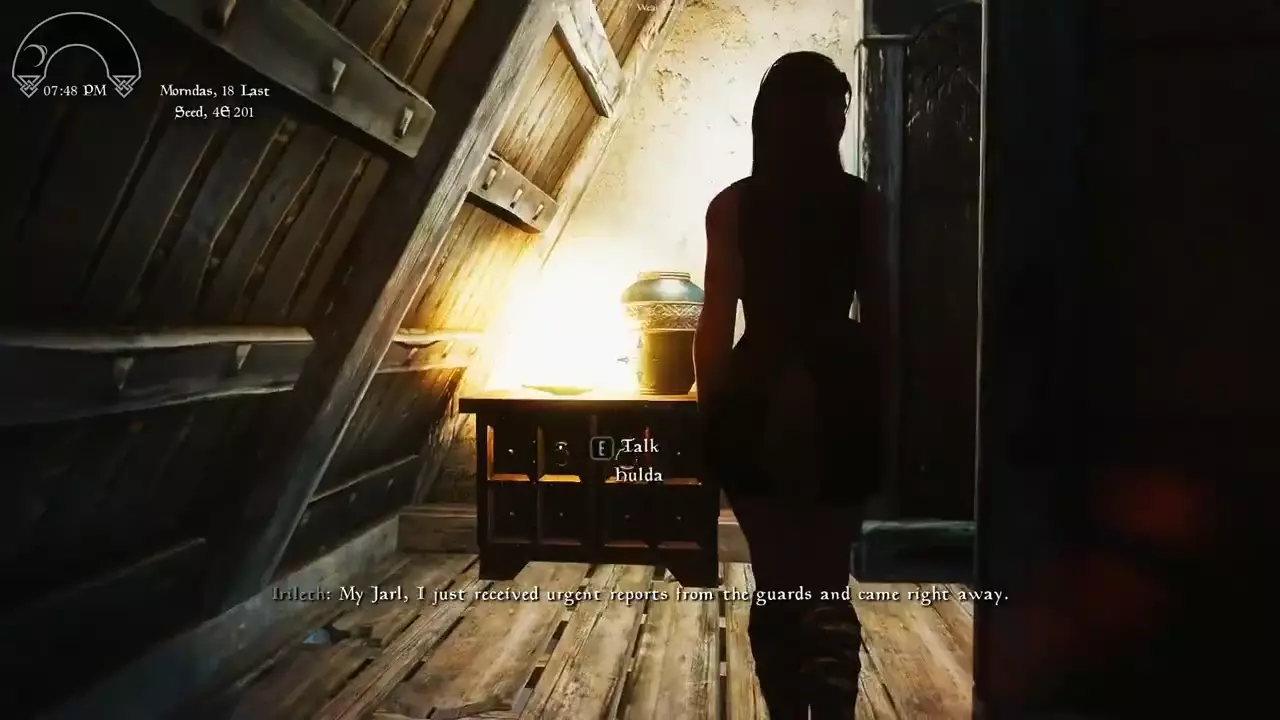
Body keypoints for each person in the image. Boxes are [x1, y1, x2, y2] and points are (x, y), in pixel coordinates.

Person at [695, 51, 887, 719]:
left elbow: (714, 330)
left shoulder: (733, 206)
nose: (837, 120)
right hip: (843, 388)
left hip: (757, 389)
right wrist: (894, 416)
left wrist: (710, 425)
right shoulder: (866, 205)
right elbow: (887, 324)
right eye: (836, 107)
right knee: (825, 579)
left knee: (777, 577)